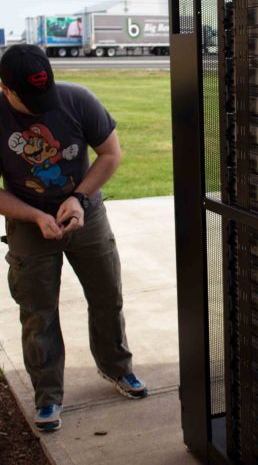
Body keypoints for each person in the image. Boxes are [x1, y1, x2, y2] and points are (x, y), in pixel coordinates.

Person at [0, 44, 147, 432]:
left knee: (107, 297)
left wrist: (79, 198)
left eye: (44, 93)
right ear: (6, 88)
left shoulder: (77, 99)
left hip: (87, 216)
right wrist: (34, 215)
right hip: (28, 225)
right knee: (38, 312)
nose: (41, 105)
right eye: (30, 100)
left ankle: (117, 368)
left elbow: (110, 154)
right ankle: (48, 396)